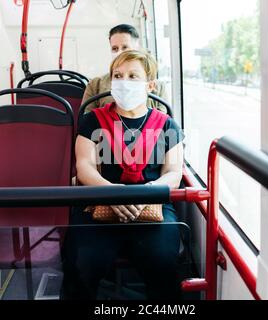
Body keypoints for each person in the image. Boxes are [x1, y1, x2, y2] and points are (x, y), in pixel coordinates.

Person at [61, 50, 184, 300]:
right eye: (118, 75)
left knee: (164, 262)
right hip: (99, 200)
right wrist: (112, 194)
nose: (124, 82)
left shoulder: (167, 125)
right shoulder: (92, 121)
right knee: (81, 261)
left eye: (132, 76)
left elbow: (173, 172)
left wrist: (147, 194)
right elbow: (85, 167)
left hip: (151, 204)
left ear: (150, 85)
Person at [82, 24, 168, 113]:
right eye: (115, 48)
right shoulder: (95, 84)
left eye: (125, 47)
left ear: (136, 48)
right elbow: (86, 120)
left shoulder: (158, 87)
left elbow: (162, 122)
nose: (120, 52)